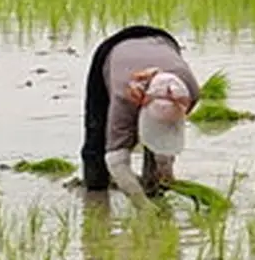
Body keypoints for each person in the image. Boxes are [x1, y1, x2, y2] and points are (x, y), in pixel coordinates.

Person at [80, 25, 201, 207]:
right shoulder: (124, 98)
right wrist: (143, 207)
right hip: (112, 50)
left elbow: (171, 126)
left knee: (157, 173)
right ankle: (95, 193)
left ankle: (154, 185)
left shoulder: (190, 90)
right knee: (97, 135)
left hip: (163, 41)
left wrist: (165, 167)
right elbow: (116, 161)